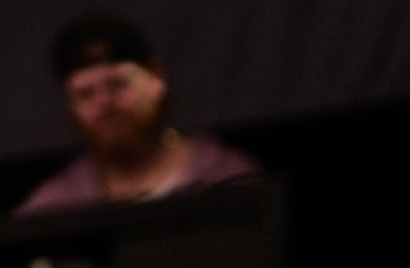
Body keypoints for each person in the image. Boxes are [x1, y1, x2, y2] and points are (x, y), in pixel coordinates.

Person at [17, 11, 257, 212]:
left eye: (117, 84)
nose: (105, 102)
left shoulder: (227, 179)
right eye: (85, 94)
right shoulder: (54, 207)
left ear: (157, 77)